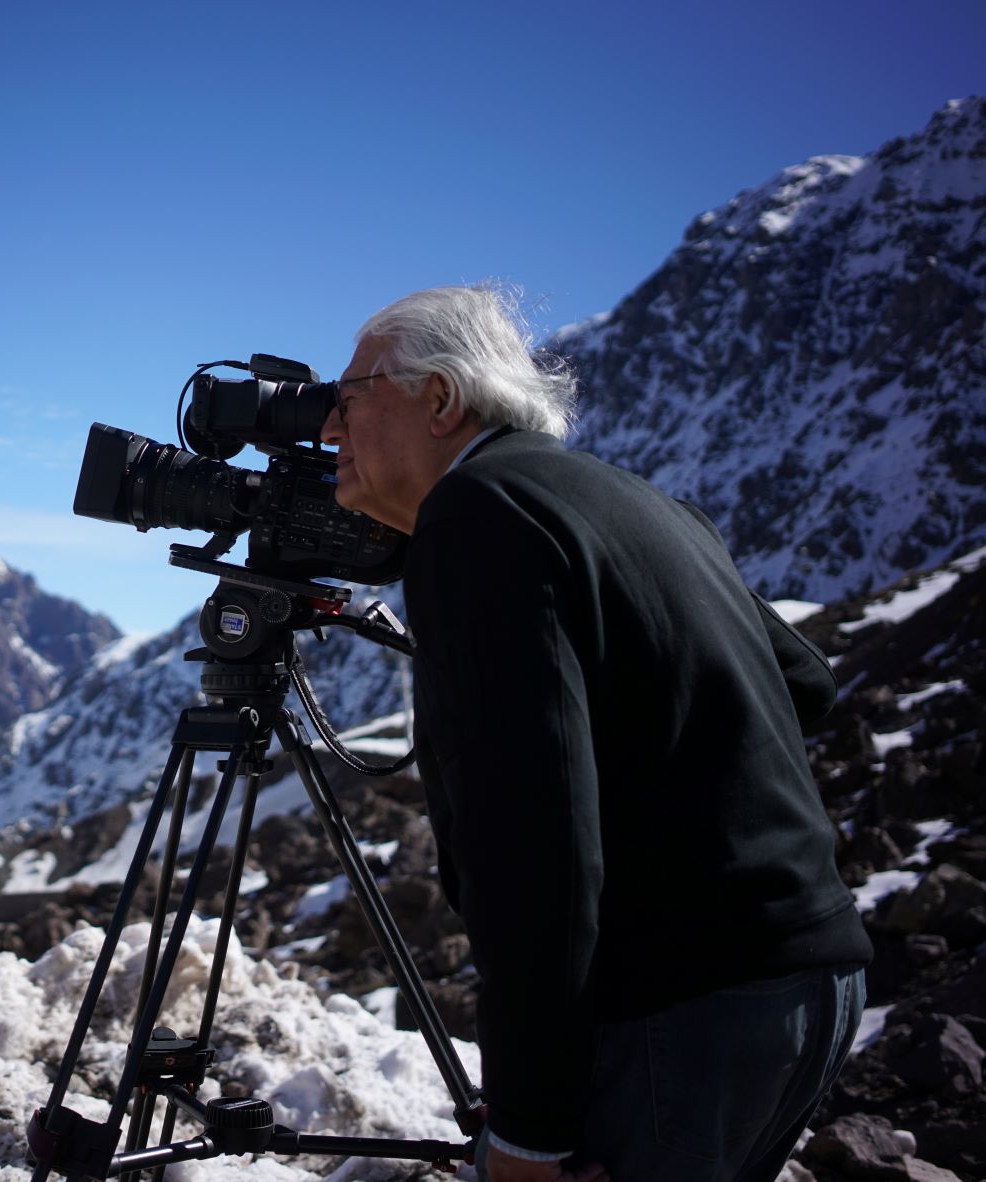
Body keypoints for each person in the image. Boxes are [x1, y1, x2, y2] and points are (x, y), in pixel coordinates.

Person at [318, 286, 870, 1182]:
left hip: (682, 1009)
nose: (327, 427)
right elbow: (805, 682)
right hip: (813, 977)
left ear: (440, 399)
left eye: (347, 398)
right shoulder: (633, 498)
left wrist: (530, 1126)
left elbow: (530, 840)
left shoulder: (476, 512)